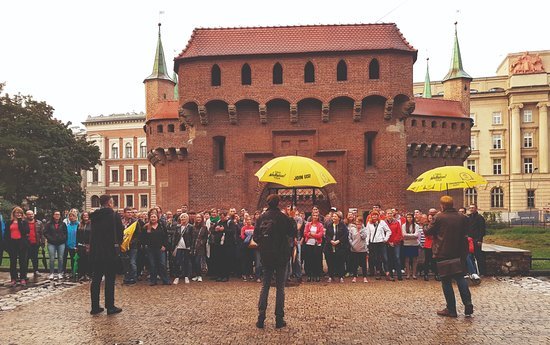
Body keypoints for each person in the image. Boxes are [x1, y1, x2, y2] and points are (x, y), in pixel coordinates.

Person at [425, 196, 474, 318]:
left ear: (442, 205)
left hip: (443, 252)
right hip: (459, 251)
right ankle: (468, 303)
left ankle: (451, 309)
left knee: (446, 281)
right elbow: (467, 232)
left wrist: (425, 223)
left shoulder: (439, 217)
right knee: (460, 277)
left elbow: (428, 231)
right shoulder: (462, 217)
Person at [253, 194, 295, 329]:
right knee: (280, 287)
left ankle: (261, 318)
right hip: (280, 256)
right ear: (278, 203)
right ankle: (279, 318)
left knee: (265, 286)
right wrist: (292, 218)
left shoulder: (260, 218)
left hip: (266, 256)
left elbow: (255, 237)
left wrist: (264, 245)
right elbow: (293, 233)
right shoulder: (283, 218)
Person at [89, 194, 124, 315]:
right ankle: (110, 306)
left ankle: (94, 306)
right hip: (110, 252)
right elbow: (120, 234)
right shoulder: (114, 216)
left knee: (96, 279)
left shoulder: (94, 216)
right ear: (109, 203)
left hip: (96, 252)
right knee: (109, 279)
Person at [141, 208, 170, 286]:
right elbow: (143, 238)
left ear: (157, 218)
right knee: (152, 264)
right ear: (149, 218)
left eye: (154, 217)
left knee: (162, 264)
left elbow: (166, 237)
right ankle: (153, 280)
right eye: (152, 217)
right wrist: (145, 246)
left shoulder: (162, 226)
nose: (153, 218)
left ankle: (165, 280)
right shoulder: (146, 227)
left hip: (161, 248)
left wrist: (165, 246)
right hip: (150, 249)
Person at [5, 207, 30, 287]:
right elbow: (6, 234)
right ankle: (13, 278)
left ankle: (23, 278)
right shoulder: (9, 222)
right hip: (12, 243)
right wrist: (7, 244)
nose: (18, 214)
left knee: (22, 261)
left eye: (20, 213)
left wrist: (19, 222)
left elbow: (25, 232)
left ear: (22, 214)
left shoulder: (24, 222)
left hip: (22, 243)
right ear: (14, 213)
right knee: (13, 262)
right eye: (17, 213)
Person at [366, 210, 392, 280]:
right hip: (373, 243)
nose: (374, 216)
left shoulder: (382, 222)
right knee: (376, 259)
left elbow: (388, 231)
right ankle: (378, 273)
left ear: (378, 216)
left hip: (381, 242)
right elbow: (368, 234)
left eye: (376, 215)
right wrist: (367, 243)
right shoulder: (369, 223)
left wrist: (386, 239)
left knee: (385, 258)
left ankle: (387, 273)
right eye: (373, 215)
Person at [324, 212, 349, 283]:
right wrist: (331, 241)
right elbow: (327, 235)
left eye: (335, 216)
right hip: (330, 246)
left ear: (339, 218)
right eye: (333, 216)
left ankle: (341, 276)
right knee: (330, 261)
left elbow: (345, 234)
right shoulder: (329, 225)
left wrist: (339, 241)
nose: (333, 218)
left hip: (340, 246)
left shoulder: (343, 225)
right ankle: (331, 276)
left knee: (340, 261)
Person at [43, 210, 68, 280]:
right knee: (52, 258)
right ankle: (51, 273)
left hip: (61, 243)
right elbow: (45, 232)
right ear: (53, 215)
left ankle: (60, 272)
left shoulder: (63, 224)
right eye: (56, 214)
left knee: (60, 258)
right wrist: (50, 238)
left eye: (58, 214)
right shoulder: (49, 224)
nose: (57, 216)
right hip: (51, 243)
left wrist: (63, 239)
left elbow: (65, 233)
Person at [172, 213, 194, 284]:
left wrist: (191, 246)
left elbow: (192, 238)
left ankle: (186, 276)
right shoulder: (177, 227)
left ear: (187, 219)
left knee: (186, 262)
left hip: (186, 247)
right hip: (178, 246)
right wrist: (173, 246)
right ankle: (177, 276)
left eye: (184, 217)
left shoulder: (190, 227)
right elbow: (174, 237)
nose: (183, 219)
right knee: (177, 262)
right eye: (182, 217)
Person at [303, 212, 324, 282]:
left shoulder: (320, 225)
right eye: (314, 215)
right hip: (309, 244)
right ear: (311, 216)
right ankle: (309, 275)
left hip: (317, 245)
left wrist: (312, 235)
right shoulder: (308, 224)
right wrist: (313, 234)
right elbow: (305, 233)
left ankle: (317, 275)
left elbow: (320, 235)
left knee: (317, 260)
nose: (315, 217)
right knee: (309, 260)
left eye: (316, 216)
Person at [468, 204, 486, 277]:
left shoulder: (480, 218)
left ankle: (482, 272)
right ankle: (473, 272)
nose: (471, 209)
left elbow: (482, 230)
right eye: (470, 208)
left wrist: (480, 240)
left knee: (479, 256)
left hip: (476, 239)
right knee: (471, 256)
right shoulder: (469, 217)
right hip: (470, 240)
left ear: (476, 209)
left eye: (473, 208)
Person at [348, 216, 368, 283]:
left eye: (359, 223)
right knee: (354, 263)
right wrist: (352, 244)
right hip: (354, 248)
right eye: (357, 222)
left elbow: (364, 237)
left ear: (362, 223)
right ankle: (354, 277)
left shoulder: (364, 229)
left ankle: (364, 277)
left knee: (364, 264)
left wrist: (360, 231)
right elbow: (349, 237)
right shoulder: (352, 229)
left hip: (362, 249)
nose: (358, 224)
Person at [25, 210, 45, 277]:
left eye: (32, 214)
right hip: (26, 243)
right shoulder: (23, 223)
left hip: (35, 243)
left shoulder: (39, 223)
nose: (31, 215)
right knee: (25, 258)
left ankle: (36, 270)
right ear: (26, 215)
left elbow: (42, 233)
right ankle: (24, 272)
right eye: (29, 214)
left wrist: (42, 242)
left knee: (35, 258)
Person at [402, 213, 420, 279]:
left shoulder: (416, 226)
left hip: (414, 244)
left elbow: (416, 235)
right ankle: (408, 274)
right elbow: (403, 235)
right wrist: (412, 236)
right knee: (407, 259)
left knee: (415, 259)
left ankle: (414, 274)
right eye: (408, 217)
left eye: (411, 217)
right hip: (406, 244)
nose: (409, 218)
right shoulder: (403, 226)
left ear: (413, 218)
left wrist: (408, 236)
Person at [191, 213, 208, 282]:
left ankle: (200, 275)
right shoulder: (193, 227)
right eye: (197, 217)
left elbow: (206, 237)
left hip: (200, 247)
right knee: (193, 261)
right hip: (193, 246)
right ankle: (196, 275)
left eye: (199, 218)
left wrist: (201, 242)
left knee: (198, 261)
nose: (198, 219)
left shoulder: (204, 227)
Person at [76, 211, 92, 281]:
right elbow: (77, 235)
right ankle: (81, 274)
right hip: (80, 245)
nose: (85, 216)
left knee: (88, 260)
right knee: (81, 260)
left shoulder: (91, 224)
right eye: (84, 215)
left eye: (87, 215)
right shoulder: (79, 224)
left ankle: (88, 274)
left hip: (89, 245)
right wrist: (76, 245)